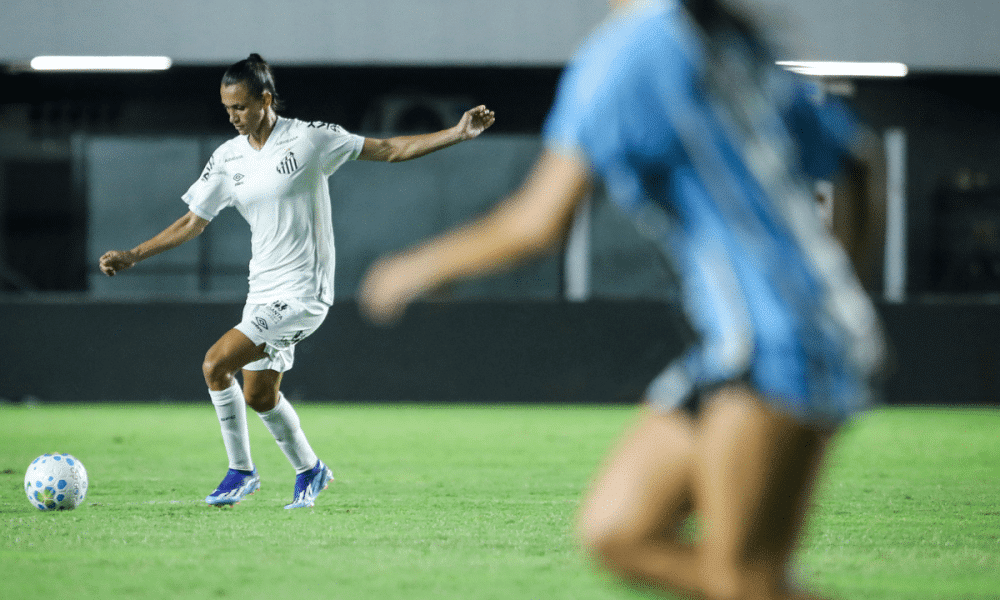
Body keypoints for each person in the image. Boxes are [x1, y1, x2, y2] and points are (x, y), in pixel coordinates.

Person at [358, 1, 886, 598]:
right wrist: (835, 293)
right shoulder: (726, 42)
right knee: (620, 531)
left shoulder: (628, 53)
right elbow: (858, 162)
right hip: (766, 335)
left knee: (745, 577)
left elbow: (538, 221)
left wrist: (417, 266)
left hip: (775, 343)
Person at [99, 54, 495, 509]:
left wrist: (457, 133)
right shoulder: (227, 158)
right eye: (227, 109)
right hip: (261, 293)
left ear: (266, 100)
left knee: (215, 364)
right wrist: (133, 255)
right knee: (259, 395)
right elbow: (193, 221)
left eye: (241, 107)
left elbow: (389, 149)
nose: (233, 117)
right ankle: (311, 470)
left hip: (303, 292)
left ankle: (241, 473)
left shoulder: (309, 138)